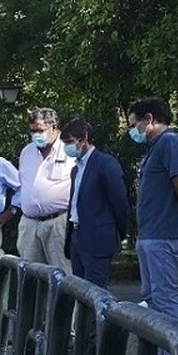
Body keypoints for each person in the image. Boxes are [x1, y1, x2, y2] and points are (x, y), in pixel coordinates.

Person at [131, 97, 178, 355]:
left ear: (149, 119)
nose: (133, 129)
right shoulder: (156, 147)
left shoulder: (171, 142)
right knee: (152, 296)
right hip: (152, 233)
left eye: (135, 123)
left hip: (164, 233)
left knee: (165, 296)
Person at [61, 117, 129, 288]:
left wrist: (117, 233)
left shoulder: (105, 164)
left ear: (83, 140)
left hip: (98, 239)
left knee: (95, 294)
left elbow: (119, 202)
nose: (66, 147)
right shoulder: (76, 169)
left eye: (69, 142)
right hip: (77, 237)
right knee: (80, 292)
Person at [15, 107, 73, 270]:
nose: (36, 135)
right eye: (32, 131)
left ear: (54, 127)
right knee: (29, 278)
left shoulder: (68, 150)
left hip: (58, 223)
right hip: (29, 224)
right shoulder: (27, 152)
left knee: (64, 275)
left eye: (40, 130)